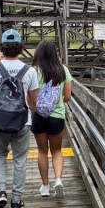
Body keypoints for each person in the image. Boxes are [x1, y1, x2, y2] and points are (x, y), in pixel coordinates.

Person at [0, 29, 38, 208]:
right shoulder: (30, 71)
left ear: (2, 48)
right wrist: (31, 117)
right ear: (20, 47)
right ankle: (16, 202)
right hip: (22, 120)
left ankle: (0, 192)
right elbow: (33, 100)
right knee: (20, 159)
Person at [31, 40, 73, 198]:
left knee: (42, 151)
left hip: (38, 116)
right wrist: (57, 101)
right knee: (56, 151)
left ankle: (45, 187)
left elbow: (30, 96)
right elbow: (68, 97)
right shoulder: (63, 70)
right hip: (57, 116)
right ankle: (58, 179)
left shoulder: (33, 71)